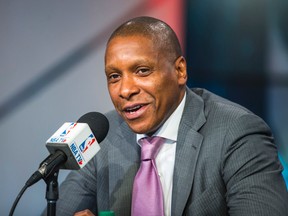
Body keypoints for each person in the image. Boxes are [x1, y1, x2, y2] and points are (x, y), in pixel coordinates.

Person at [51, 16, 288, 215]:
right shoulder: (103, 135)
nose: (125, 90)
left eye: (142, 71)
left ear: (180, 71)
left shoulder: (237, 132)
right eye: (114, 76)